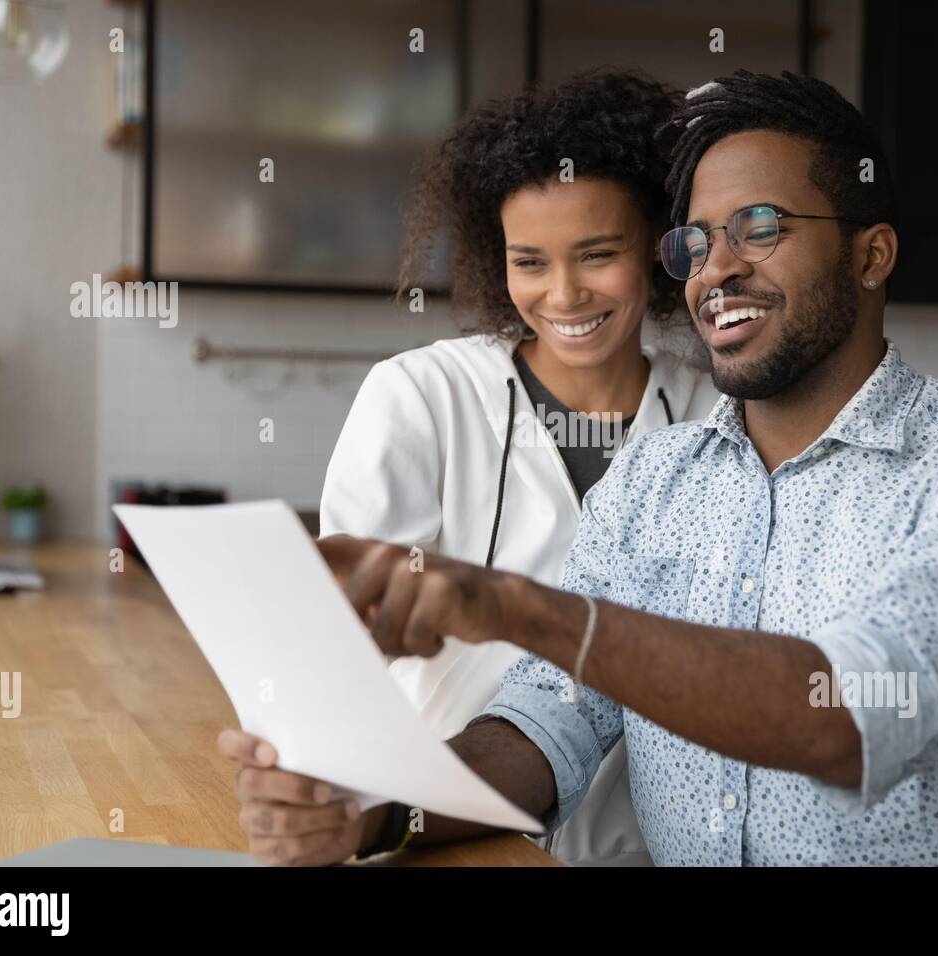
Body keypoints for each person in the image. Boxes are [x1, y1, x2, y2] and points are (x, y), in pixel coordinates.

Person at [220, 70, 938, 866]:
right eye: (695, 242)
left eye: (760, 228)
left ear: (871, 254)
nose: (716, 269)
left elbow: (851, 718)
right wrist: (376, 813)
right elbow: (551, 723)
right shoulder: (653, 480)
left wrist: (519, 607)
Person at [302, 69, 717, 866]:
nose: (563, 294)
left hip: (644, 852)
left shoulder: (712, 419)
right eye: (530, 262)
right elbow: (348, 640)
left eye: (598, 255)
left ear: (657, 251)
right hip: (444, 836)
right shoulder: (420, 396)